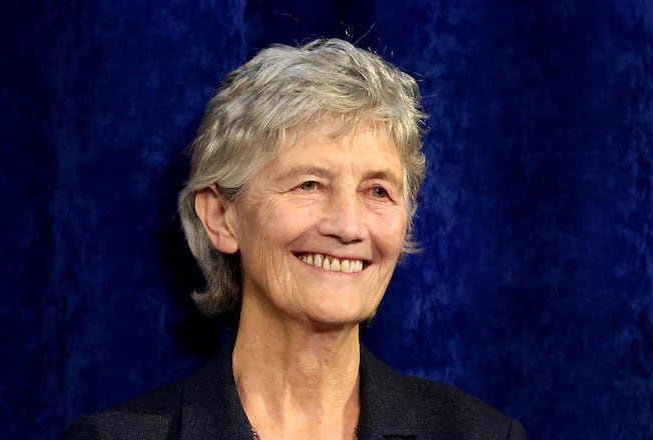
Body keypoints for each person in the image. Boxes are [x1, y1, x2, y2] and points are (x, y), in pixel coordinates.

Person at [64, 38, 525, 439]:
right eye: (309, 184)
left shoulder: (480, 434)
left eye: (378, 191)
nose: (348, 226)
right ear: (221, 217)